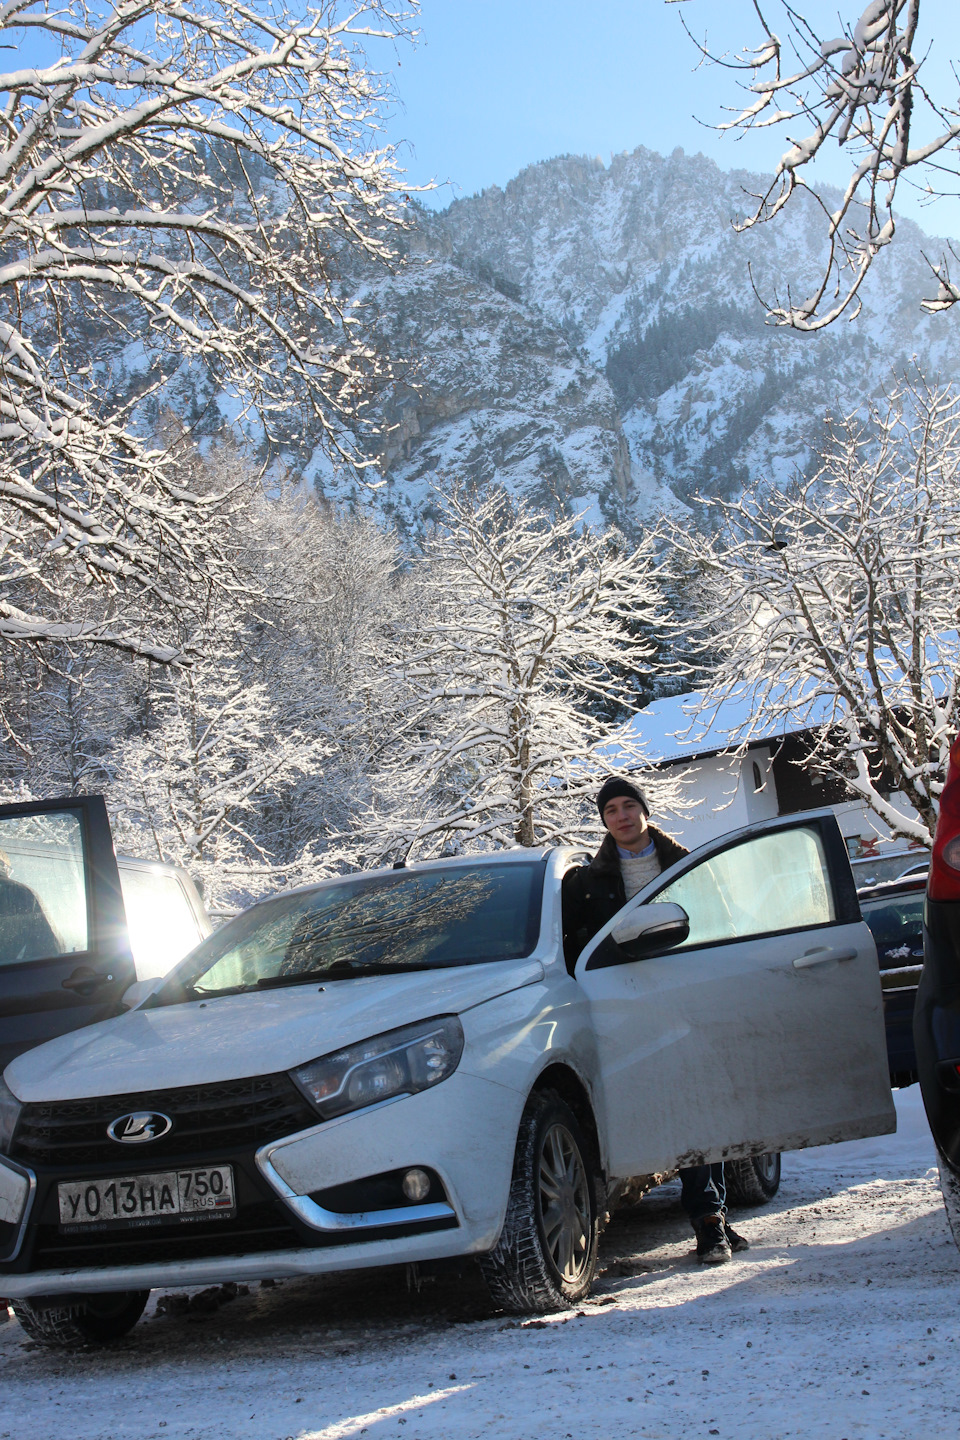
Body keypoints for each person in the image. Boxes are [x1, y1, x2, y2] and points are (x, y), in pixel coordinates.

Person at [562, 775, 749, 1266]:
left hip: (691, 994)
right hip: (629, 1006)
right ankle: (711, 1219)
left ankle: (713, 1219)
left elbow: (722, 924)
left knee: (702, 1103)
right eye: (611, 811)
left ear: (645, 811)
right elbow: (577, 946)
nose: (622, 816)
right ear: (603, 821)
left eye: (629, 806)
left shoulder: (689, 863)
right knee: (681, 1107)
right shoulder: (587, 883)